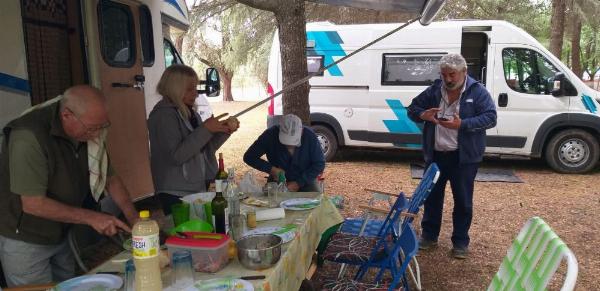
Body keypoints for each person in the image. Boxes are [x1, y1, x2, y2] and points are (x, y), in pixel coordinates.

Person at [0, 85, 139, 286]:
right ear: (66, 116)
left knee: (68, 286)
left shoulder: (89, 130)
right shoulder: (29, 136)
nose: (97, 134)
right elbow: (33, 203)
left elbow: (111, 178)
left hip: (61, 231)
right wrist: (92, 218)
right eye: (92, 128)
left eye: (103, 126)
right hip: (26, 237)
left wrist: (133, 217)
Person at [407, 53, 497, 259]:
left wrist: (462, 124)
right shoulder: (434, 90)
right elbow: (412, 108)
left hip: (463, 158)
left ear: (464, 72)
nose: (448, 79)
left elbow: (491, 118)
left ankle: (460, 243)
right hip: (436, 156)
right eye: (444, 74)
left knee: (463, 201)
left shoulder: (478, 91)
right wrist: (423, 115)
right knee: (431, 197)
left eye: (452, 75)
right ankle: (429, 237)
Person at [148, 64, 238, 215]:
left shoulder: (190, 113)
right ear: (174, 88)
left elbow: (205, 149)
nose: (195, 94)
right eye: (190, 89)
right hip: (175, 191)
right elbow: (177, 156)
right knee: (186, 233)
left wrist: (224, 131)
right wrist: (206, 129)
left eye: (195, 88)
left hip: (194, 186)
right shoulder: (164, 116)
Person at [243, 114, 325, 192]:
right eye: (286, 141)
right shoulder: (270, 135)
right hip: (277, 179)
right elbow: (249, 157)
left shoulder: (309, 136)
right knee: (271, 203)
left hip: (306, 179)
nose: (289, 145)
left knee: (317, 201)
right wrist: (271, 169)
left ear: (302, 131)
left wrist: (299, 182)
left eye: (294, 141)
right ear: (279, 130)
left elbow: (319, 163)